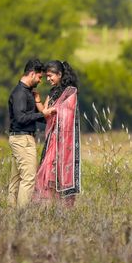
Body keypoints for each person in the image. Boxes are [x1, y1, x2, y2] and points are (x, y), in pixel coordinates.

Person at [32, 60, 81, 204]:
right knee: (47, 171)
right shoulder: (53, 91)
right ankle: (48, 207)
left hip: (64, 140)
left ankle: (62, 209)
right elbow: (45, 112)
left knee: (59, 173)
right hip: (52, 138)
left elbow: (68, 113)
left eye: (50, 76)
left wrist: (56, 110)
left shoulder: (70, 92)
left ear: (59, 74)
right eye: (46, 76)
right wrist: (37, 100)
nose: (48, 79)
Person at [7, 59, 46, 206]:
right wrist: (43, 114)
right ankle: (22, 217)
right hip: (22, 139)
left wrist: (49, 116)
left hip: (21, 139)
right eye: (39, 77)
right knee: (29, 178)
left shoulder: (28, 93)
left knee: (16, 178)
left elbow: (34, 115)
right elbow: (21, 118)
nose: (40, 80)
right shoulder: (19, 93)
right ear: (31, 74)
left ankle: (10, 213)